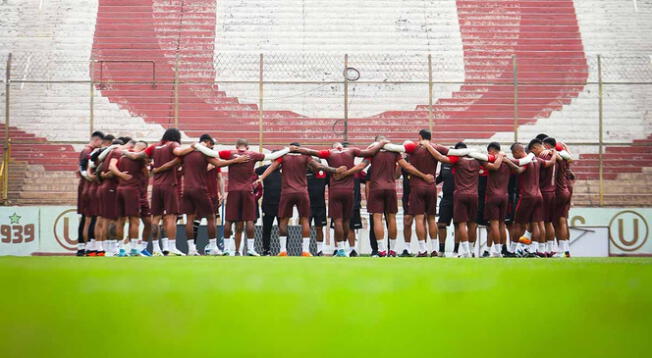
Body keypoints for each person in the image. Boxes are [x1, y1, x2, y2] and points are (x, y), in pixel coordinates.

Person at [193, 138, 289, 255]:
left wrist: (197, 146)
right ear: (247, 147)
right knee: (249, 220)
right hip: (247, 190)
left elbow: (212, 153)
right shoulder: (252, 154)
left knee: (229, 221)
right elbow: (270, 157)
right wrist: (288, 149)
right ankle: (250, 249)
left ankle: (227, 249)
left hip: (233, 190)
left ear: (236, 146)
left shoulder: (230, 153)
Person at [292, 140, 387, 256]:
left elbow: (309, 151)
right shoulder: (352, 150)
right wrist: (382, 143)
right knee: (346, 221)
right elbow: (371, 152)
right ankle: (344, 247)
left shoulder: (329, 153)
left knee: (337, 221)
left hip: (335, 190)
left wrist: (294, 150)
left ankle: (341, 248)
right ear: (342, 147)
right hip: (349, 191)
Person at [384, 130, 470, 257]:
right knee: (431, 219)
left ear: (420, 137)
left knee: (419, 218)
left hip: (417, 187)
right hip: (431, 187)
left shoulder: (413, 147)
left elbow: (398, 150)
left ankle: (423, 249)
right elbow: (452, 154)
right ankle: (434, 249)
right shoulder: (436, 147)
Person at [258, 143, 343, 256]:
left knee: (283, 220)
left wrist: (261, 179)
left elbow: (271, 167)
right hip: (302, 192)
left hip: (287, 192)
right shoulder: (306, 157)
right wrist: (335, 170)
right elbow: (319, 166)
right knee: (305, 220)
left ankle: (283, 250)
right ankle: (306, 251)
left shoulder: (283, 157)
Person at [121, 128, 196, 256]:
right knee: (171, 217)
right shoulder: (173, 144)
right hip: (170, 185)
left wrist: (122, 151)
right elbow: (179, 152)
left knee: (155, 218)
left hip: (156, 186)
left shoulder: (154, 147)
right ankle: (172, 248)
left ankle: (156, 249)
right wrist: (194, 147)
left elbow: (135, 155)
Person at [359, 136, 434, 257]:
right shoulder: (394, 152)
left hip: (376, 188)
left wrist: (343, 172)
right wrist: (424, 176)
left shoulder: (372, 151)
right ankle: (392, 250)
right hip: (390, 188)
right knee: (392, 218)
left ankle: (381, 250)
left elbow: (360, 166)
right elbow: (407, 167)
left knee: (377, 219)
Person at [181, 135, 248, 256]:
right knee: (211, 217)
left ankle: (191, 249)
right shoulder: (205, 153)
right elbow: (218, 164)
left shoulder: (185, 154)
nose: (212, 146)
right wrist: (234, 161)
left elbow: (176, 166)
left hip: (186, 189)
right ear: (206, 142)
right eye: (211, 144)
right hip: (200, 189)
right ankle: (213, 247)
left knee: (190, 219)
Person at [504, 140, 559, 257]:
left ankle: (512, 251)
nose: (513, 156)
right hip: (538, 195)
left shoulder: (526, 162)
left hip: (527, 196)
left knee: (518, 224)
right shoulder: (538, 160)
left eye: (514, 154)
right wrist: (554, 153)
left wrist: (506, 161)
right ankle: (535, 250)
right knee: (537, 224)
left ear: (518, 151)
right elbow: (551, 163)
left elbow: (518, 170)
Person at [542, 137, 574, 257]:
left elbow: (558, 156)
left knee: (555, 222)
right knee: (562, 221)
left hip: (559, 191)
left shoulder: (556, 157)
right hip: (566, 190)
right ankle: (565, 250)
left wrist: (552, 152)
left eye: (544, 146)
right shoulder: (566, 159)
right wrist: (564, 147)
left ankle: (560, 250)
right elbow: (570, 157)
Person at [76, 131, 104, 256]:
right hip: (88, 188)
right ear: (97, 140)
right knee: (88, 218)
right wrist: (89, 176)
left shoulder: (87, 150)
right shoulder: (88, 151)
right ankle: (85, 248)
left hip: (85, 188)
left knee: (86, 218)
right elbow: (82, 168)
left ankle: (84, 247)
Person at [482, 142, 510, 257]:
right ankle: (502, 249)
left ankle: (497, 251)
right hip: (505, 196)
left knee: (494, 224)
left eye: (489, 152)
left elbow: (494, 167)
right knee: (502, 224)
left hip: (493, 196)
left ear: (492, 151)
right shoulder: (507, 162)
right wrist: (502, 156)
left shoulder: (490, 161)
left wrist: (498, 157)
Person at [256, 160, 282, 256]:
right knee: (267, 229)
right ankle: (266, 250)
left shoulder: (284, 169)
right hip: (267, 204)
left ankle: (283, 249)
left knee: (283, 228)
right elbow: (254, 171)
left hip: (281, 205)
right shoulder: (265, 168)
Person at [307, 164, 329, 256]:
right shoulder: (304, 174)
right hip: (307, 206)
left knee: (319, 228)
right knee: (306, 227)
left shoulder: (324, 175)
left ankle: (319, 250)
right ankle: (305, 250)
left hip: (320, 206)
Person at [436, 161, 455, 257]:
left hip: (458, 198)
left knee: (459, 225)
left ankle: (456, 251)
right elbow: (440, 178)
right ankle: (441, 250)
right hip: (446, 198)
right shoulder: (444, 164)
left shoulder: (461, 163)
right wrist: (430, 183)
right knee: (441, 224)